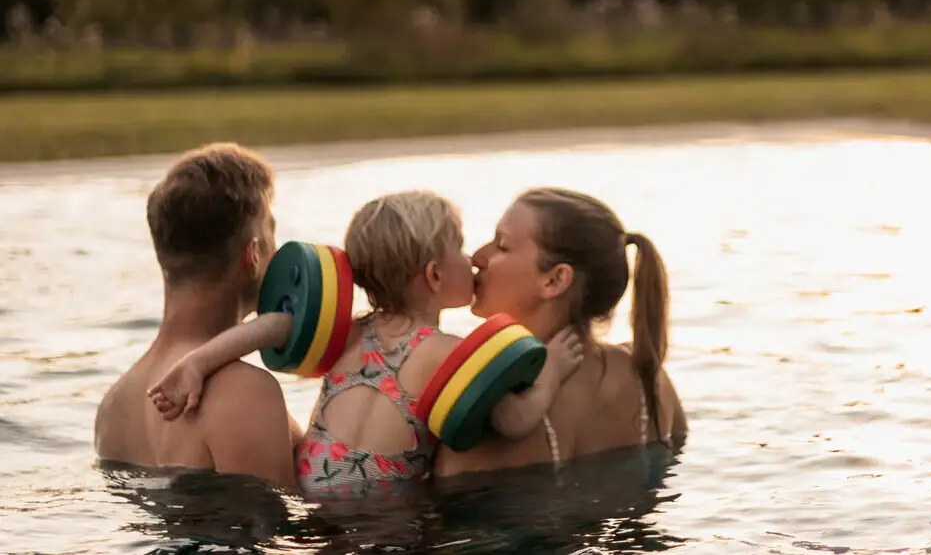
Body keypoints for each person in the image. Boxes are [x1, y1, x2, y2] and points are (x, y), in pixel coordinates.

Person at [147, 190, 585, 497]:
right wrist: (552, 373)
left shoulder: (347, 332)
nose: (472, 260)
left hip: (310, 493)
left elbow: (275, 325)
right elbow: (513, 420)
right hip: (380, 517)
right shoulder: (447, 352)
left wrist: (198, 363)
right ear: (434, 275)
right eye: (460, 248)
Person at [433, 187, 687, 479]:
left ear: (555, 280)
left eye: (501, 246)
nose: (477, 257)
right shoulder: (649, 378)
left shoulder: (495, 409)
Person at [94, 142, 300, 490]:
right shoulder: (244, 393)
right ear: (252, 254)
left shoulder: (114, 405)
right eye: (271, 234)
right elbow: (284, 523)